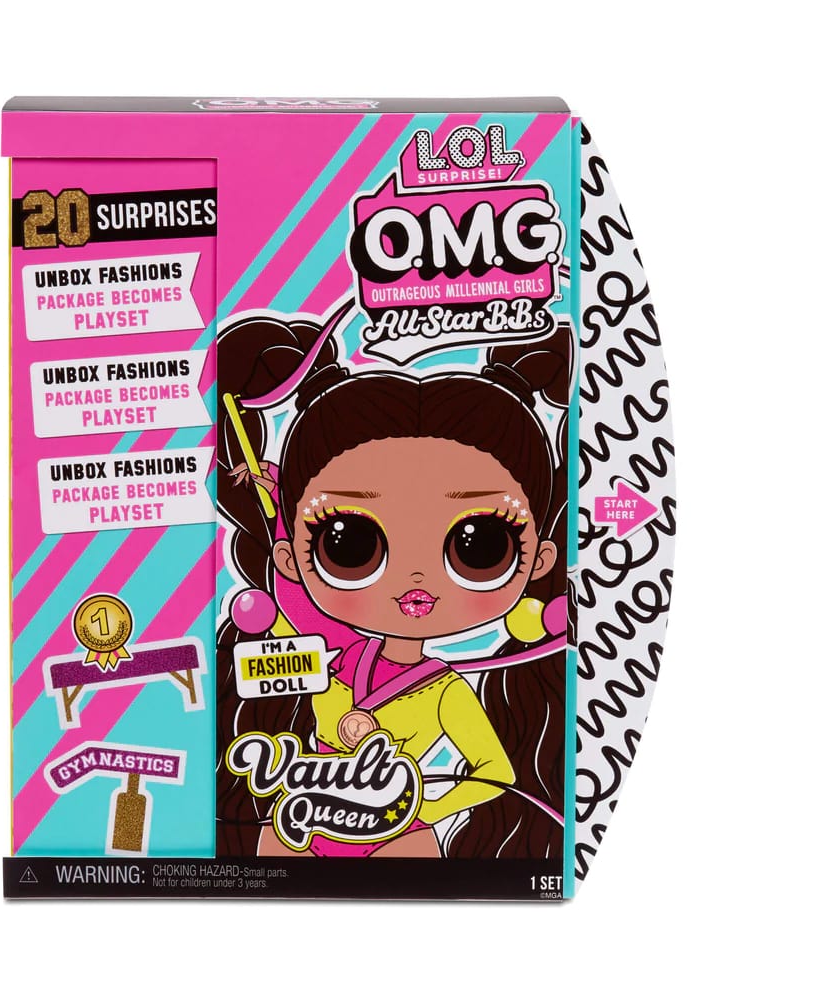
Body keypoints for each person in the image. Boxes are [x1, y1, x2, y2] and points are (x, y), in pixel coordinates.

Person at [216, 308, 571, 860]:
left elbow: (495, 772)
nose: (416, 579)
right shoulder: (332, 654)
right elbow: (295, 602)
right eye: (348, 543)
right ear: (291, 556)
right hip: (299, 827)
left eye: (479, 545)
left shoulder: (445, 690)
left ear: (540, 559)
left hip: (398, 839)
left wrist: (420, 807)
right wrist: (278, 506)